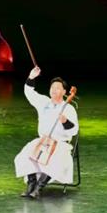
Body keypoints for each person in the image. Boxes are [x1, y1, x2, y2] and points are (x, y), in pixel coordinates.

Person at [14, 66, 79, 199]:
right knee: (25, 154)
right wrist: (31, 77)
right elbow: (29, 93)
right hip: (43, 140)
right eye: (52, 87)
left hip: (60, 143)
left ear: (64, 92)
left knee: (56, 158)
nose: (54, 90)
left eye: (57, 88)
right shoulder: (43, 102)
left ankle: (39, 188)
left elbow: (74, 130)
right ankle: (31, 185)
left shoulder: (69, 108)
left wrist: (65, 121)